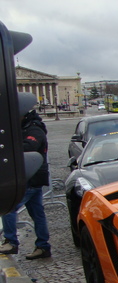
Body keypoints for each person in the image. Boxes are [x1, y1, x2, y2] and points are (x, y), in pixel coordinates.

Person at [0, 92, 52, 259]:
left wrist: (8, 146)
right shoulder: (28, 127)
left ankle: (11, 241)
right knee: (37, 214)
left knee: (9, 207)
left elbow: (29, 146)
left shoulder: (34, 129)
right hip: (34, 175)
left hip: (31, 176)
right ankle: (43, 246)